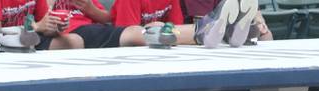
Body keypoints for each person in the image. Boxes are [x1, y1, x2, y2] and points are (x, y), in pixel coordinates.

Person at [109, 0, 259, 48]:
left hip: (164, 43)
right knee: (148, 31)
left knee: (163, 29)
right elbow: (127, 33)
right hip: (139, 44)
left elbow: (177, 27)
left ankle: (225, 31)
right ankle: (221, 30)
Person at [0, 0, 83, 49]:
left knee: (74, 41)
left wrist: (55, 26)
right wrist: (35, 27)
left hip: (24, 40)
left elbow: (43, 26)